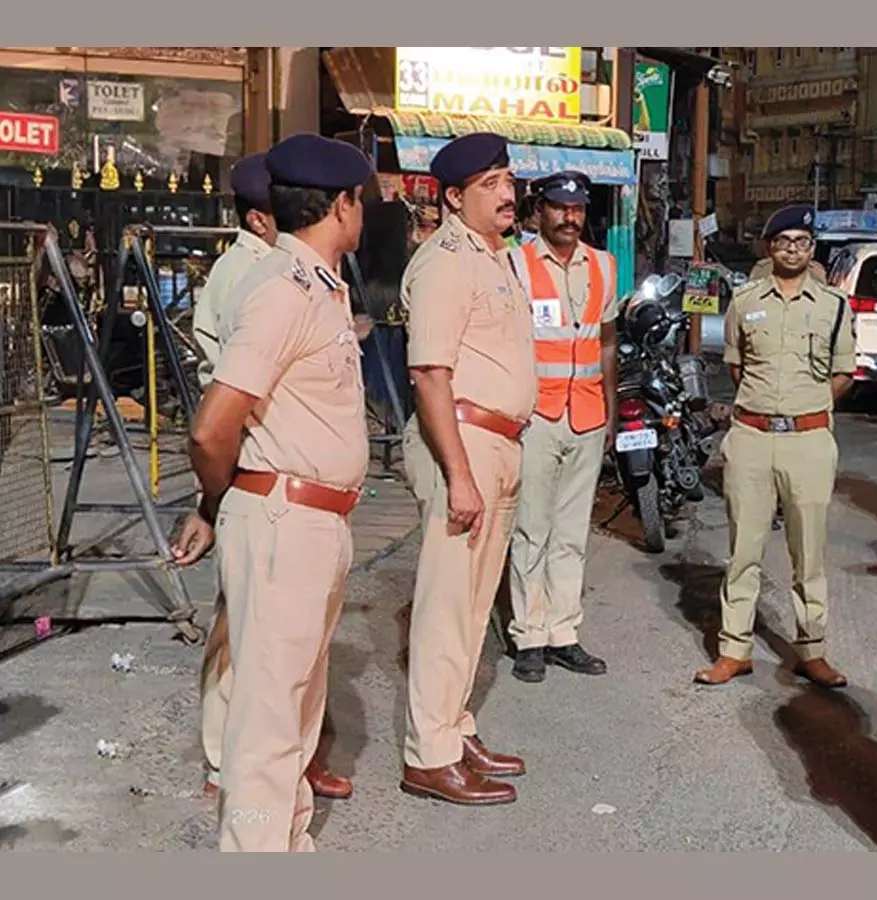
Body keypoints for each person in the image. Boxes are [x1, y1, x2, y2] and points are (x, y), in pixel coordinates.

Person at [173, 132, 374, 852]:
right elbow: (211, 428)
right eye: (361, 201)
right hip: (283, 518)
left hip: (314, 520)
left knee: (294, 708)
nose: (364, 214)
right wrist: (219, 501)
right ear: (342, 205)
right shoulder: (284, 294)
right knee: (265, 724)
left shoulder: (318, 285)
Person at [398, 133, 533, 806]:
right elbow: (429, 372)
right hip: (465, 443)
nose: (507, 193)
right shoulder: (446, 261)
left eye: (507, 179)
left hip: (499, 442)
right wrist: (457, 473)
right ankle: (428, 752)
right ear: (453, 198)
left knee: (476, 606)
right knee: (448, 604)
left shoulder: (497, 257)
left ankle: (453, 726)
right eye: (490, 184)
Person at [695, 203, 855, 688]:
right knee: (743, 548)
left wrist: (806, 408)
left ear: (812, 249)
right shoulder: (745, 301)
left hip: (808, 441)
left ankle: (812, 650)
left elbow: (843, 373)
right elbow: (737, 367)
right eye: (784, 241)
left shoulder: (834, 306)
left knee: (809, 553)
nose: (792, 249)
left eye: (802, 242)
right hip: (751, 438)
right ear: (770, 247)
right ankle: (734, 649)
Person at [505, 170, 617, 684]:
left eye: (577, 209)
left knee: (572, 533)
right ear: (540, 210)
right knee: (532, 529)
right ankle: (528, 634)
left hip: (587, 414)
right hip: (536, 416)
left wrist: (610, 409)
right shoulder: (518, 265)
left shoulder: (604, 266)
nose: (569, 217)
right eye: (559, 207)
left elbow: (606, 341)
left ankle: (563, 632)